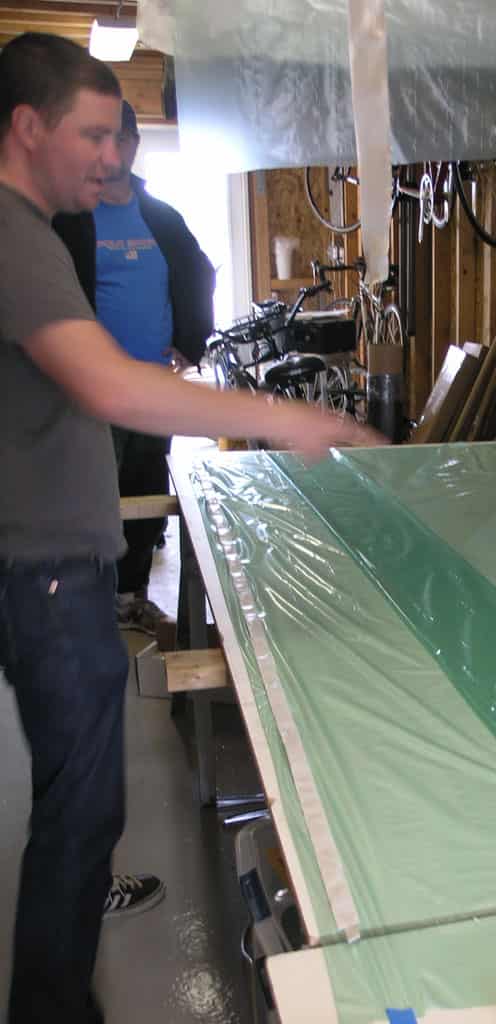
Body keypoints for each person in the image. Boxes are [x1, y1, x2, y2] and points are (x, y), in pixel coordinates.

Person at [0, 33, 382, 1024]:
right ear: (26, 127)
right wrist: (282, 416)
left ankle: (63, 955)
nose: (111, 156)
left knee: (82, 798)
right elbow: (106, 382)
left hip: (47, 558)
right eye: (91, 134)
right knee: (84, 803)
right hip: (41, 569)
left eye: (117, 138)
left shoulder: (39, 228)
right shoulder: (13, 231)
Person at [54, 100, 216, 635]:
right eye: (101, 138)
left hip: (152, 386)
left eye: (123, 138)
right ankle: (88, 604)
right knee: (93, 500)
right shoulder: (71, 218)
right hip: (93, 391)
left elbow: (199, 273)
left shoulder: (161, 216)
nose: (114, 149)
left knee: (144, 498)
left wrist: (190, 342)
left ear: (133, 144)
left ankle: (130, 598)